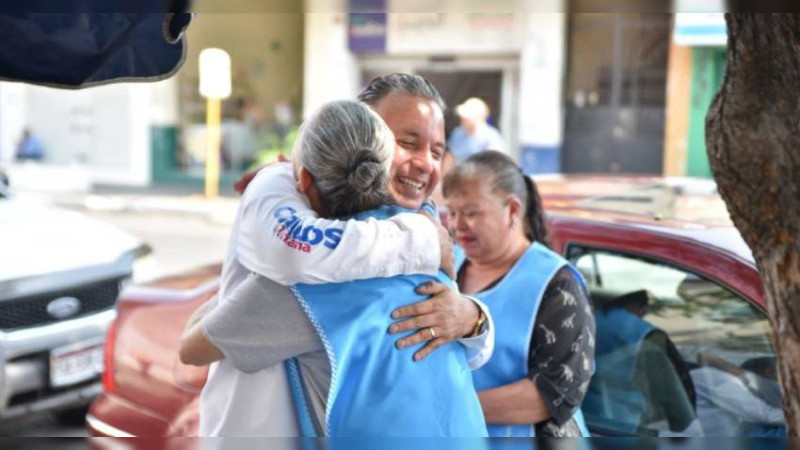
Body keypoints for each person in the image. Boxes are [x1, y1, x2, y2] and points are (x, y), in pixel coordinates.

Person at [180, 74, 494, 436]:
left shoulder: (417, 243)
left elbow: (191, 347)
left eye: (437, 151)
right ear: (364, 138)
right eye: (407, 143)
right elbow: (295, 253)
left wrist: (474, 317)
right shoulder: (416, 244)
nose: (425, 163)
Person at [440, 150, 594, 437]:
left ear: (512, 210)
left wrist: (449, 409)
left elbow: (553, 394)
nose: (457, 225)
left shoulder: (557, 283)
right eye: (452, 212)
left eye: (471, 213)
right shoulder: (447, 267)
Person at [586, 289, 698, 435]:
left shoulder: (586, 316)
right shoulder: (647, 335)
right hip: (620, 428)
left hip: (584, 417)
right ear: (639, 306)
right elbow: (678, 407)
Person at [447, 98, 506, 164]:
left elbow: (495, 162)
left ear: (478, 118)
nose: (462, 120)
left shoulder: (491, 137)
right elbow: (450, 157)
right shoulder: (457, 133)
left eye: (466, 118)